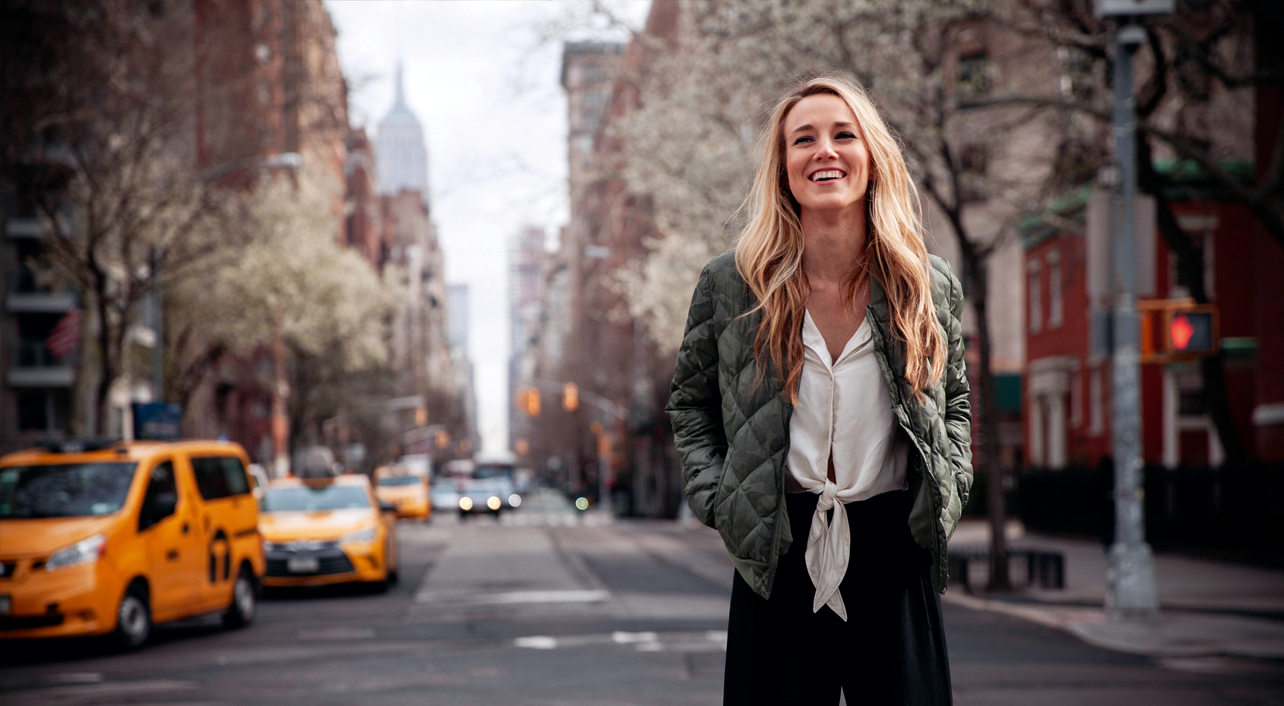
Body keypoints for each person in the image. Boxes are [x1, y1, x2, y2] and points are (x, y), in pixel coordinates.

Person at [667, 75, 973, 705]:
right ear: (783, 169)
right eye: (803, 139)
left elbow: (957, 405)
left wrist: (946, 494)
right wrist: (723, 502)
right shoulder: (733, 284)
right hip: (778, 543)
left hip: (893, 546)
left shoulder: (926, 285)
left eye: (843, 134)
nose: (824, 150)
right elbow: (691, 405)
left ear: (872, 155)